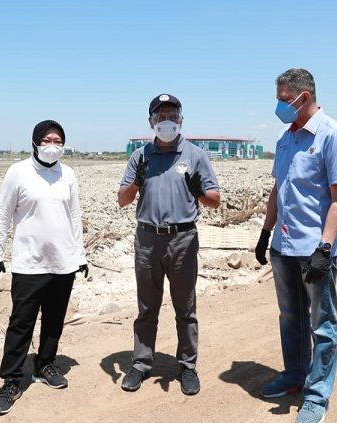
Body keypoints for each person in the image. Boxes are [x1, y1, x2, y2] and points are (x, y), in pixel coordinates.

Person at [254, 68, 337, 423]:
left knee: (322, 323)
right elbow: (277, 190)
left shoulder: (333, 136)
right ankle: (294, 375)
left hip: (315, 250)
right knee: (290, 317)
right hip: (283, 246)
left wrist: (325, 248)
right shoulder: (286, 137)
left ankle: (317, 395)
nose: (280, 107)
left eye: (284, 100)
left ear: (304, 97)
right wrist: (266, 233)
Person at [117, 93, 220, 395]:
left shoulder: (195, 155)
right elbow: (123, 200)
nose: (167, 121)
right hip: (148, 240)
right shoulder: (140, 156)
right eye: (161, 116)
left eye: (173, 115)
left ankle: (187, 366)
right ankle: (140, 363)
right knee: (147, 307)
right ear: (151, 121)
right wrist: (136, 180)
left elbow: (214, 201)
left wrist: (198, 190)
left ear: (181, 120)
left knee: (185, 307)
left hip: (182, 240)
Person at [0, 119, 88, 415]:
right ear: (35, 142)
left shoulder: (67, 174)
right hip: (29, 263)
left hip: (63, 263)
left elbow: (75, 216)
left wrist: (80, 256)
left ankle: (45, 364)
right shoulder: (18, 172)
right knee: (21, 322)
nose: (53, 146)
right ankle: (12, 379)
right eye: (47, 140)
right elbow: (3, 213)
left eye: (58, 140)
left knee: (55, 319)